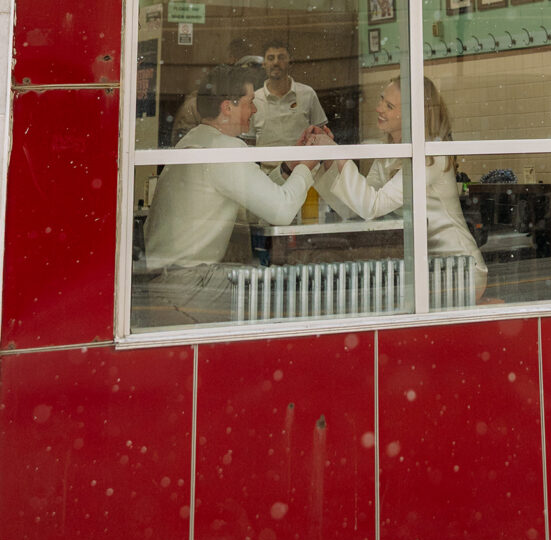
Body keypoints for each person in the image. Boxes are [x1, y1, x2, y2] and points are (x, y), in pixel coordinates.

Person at [135, 65, 317, 326]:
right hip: (193, 287)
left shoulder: (195, 140)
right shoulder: (225, 149)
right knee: (292, 295)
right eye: (249, 102)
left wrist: (289, 168)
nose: (254, 110)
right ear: (227, 107)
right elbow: (281, 211)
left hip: (167, 284)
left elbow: (256, 206)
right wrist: (306, 165)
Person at [305, 76, 487, 300]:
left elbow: (373, 205)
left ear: (413, 115)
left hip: (460, 270)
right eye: (382, 100)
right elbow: (357, 208)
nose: (378, 108)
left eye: (389, 106)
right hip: (426, 267)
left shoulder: (431, 155)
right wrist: (327, 161)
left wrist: (336, 153)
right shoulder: (390, 151)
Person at [249, 39, 328, 264]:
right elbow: (247, 145)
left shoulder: (307, 94)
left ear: (289, 61)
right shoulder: (253, 99)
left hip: (304, 178)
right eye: (271, 58)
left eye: (281, 57)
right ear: (264, 64)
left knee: (304, 239)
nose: (276, 63)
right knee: (270, 241)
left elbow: (321, 135)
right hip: (266, 179)